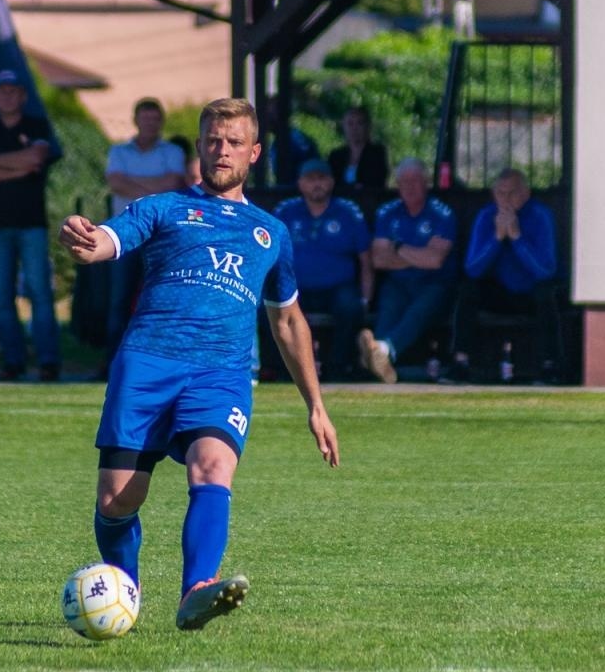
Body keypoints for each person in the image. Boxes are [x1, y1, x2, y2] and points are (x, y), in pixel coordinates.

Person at [58, 98, 338, 631]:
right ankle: (124, 594)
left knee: (213, 465)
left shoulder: (270, 233)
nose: (222, 150)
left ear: (254, 152)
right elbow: (110, 240)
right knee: (119, 498)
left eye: (234, 142)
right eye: (213, 140)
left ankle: (197, 590)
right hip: (148, 362)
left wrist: (316, 406)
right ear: (200, 149)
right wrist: (87, 241)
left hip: (221, 372)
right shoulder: (162, 208)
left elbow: (288, 321)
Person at [0, 68, 62, 382]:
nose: (7, 95)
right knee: (1, 296)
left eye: (13, 90)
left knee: (39, 293)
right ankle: (14, 360)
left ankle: (48, 361)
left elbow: (36, 159)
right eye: (2, 90)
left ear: (22, 95)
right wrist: (18, 163)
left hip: (31, 224)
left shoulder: (36, 125)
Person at [449, 168, 563, 384]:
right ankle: (460, 363)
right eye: (501, 193)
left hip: (530, 292)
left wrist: (517, 238)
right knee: (468, 290)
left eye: (512, 193)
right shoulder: (486, 216)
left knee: (547, 294)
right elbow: (472, 268)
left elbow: (546, 270)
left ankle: (550, 366)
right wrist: (497, 238)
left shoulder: (540, 216)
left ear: (525, 193)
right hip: (499, 292)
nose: (506, 200)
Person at [103, 98, 186, 371]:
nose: (149, 123)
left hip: (162, 237)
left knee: (160, 299)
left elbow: (173, 184)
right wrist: (154, 191)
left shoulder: (173, 151)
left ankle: (157, 362)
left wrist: (134, 186)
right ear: (136, 120)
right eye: (145, 118)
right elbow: (115, 183)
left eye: (154, 119)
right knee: (119, 300)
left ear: (161, 121)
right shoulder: (118, 151)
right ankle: (113, 362)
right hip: (125, 235)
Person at [272, 158, 373, 380]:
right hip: (297, 287)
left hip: (337, 287)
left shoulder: (348, 212)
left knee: (350, 307)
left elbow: (366, 260)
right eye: (310, 179)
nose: (316, 184)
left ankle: (337, 369)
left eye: (321, 178)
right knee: (271, 308)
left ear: (331, 182)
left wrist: (366, 300)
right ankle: (281, 370)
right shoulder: (286, 211)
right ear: (300, 183)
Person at [360, 158, 457, 383]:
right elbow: (379, 259)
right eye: (404, 182)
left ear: (426, 183)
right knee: (388, 309)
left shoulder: (442, 213)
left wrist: (398, 247)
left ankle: (383, 351)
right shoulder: (387, 212)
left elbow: (434, 261)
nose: (410, 187)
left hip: (434, 282)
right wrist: (418, 255)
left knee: (420, 310)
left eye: (415, 181)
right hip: (398, 282)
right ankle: (383, 358)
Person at [326, 105, 389, 204]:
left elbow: (375, 182)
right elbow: (330, 183)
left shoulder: (377, 153)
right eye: (350, 124)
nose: (354, 129)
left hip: (368, 203)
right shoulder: (336, 155)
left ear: (368, 126)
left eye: (359, 123)